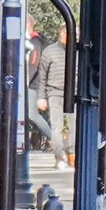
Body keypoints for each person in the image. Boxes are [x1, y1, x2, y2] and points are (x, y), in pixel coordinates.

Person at [28, 26, 70, 169]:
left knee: (74, 126)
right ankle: (59, 157)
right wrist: (41, 97)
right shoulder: (50, 51)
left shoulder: (78, 51)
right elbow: (42, 76)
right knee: (57, 126)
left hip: (73, 93)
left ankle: (71, 154)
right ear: (61, 33)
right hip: (54, 92)